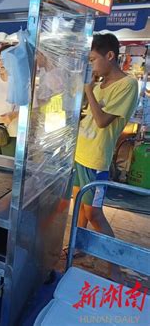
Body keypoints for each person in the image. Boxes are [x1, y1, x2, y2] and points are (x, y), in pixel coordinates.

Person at [74, 34, 138, 278]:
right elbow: (86, 116)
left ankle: (114, 267)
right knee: (79, 206)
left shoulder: (128, 85)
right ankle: (79, 248)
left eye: (93, 60)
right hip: (80, 152)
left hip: (96, 159)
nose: (91, 65)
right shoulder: (99, 86)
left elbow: (101, 122)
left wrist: (88, 89)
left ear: (110, 56)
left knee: (95, 214)